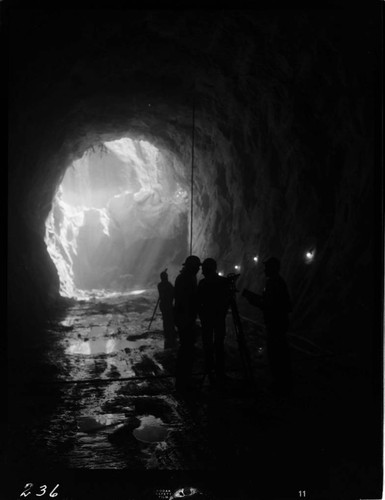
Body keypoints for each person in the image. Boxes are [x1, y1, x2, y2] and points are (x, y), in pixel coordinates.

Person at [242, 257, 292, 395]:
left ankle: (280, 382)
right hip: (278, 321)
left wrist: (252, 300)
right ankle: (282, 380)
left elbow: (269, 304)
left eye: (267, 268)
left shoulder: (274, 283)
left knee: (276, 351)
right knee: (279, 350)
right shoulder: (276, 282)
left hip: (275, 322)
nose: (265, 270)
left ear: (273, 268)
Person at [197, 258, 231, 384]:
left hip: (207, 319)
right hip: (218, 318)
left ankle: (210, 370)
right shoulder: (223, 282)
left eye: (204, 268)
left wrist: (201, 315)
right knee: (219, 345)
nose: (202, 271)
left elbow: (198, 302)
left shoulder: (203, 284)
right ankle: (220, 371)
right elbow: (228, 300)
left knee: (208, 345)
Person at [173, 255, 201, 393]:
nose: (198, 269)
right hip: (185, 318)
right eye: (196, 267)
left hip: (183, 317)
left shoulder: (184, 277)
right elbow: (187, 300)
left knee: (186, 348)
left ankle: (183, 379)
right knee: (187, 349)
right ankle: (184, 381)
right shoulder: (187, 279)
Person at [157, 269, 177, 349]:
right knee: (170, 319)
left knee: (166, 319)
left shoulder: (160, 285)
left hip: (163, 305)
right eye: (166, 276)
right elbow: (173, 293)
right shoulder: (168, 285)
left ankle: (167, 334)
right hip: (167, 305)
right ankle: (170, 334)